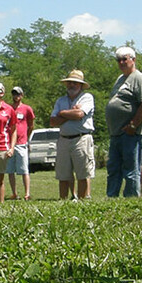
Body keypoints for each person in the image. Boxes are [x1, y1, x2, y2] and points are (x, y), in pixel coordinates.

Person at [105, 46, 142, 198]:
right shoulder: (120, 79)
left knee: (131, 169)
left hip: (131, 133)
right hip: (116, 133)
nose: (121, 63)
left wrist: (133, 125)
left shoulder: (138, 78)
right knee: (113, 168)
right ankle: (112, 197)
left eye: (124, 59)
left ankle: (131, 198)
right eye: (118, 60)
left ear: (133, 59)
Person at [50, 69, 96, 201]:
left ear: (81, 85)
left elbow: (79, 115)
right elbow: (53, 121)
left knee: (83, 174)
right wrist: (69, 112)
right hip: (63, 139)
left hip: (81, 138)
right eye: (70, 83)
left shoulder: (87, 97)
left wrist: (62, 113)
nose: (72, 85)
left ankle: (83, 201)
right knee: (63, 175)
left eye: (75, 83)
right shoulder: (60, 100)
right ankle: (63, 201)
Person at [7, 86, 35, 200]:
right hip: (9, 144)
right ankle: (14, 193)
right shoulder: (8, 109)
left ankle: (27, 193)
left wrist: (26, 137)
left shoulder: (27, 109)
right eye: (14, 94)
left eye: (18, 94)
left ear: (22, 95)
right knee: (10, 170)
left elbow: (31, 125)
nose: (16, 96)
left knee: (24, 169)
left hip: (22, 143)